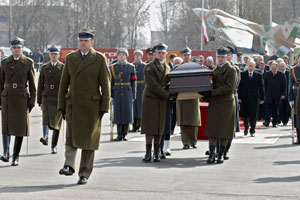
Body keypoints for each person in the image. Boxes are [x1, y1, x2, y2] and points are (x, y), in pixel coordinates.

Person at [58, 28, 111, 185]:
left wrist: (104, 107)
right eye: (81, 40)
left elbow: (105, 85)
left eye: (86, 41)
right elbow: (63, 83)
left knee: (89, 141)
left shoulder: (99, 59)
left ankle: (84, 173)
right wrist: (61, 104)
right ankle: (68, 165)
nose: (83, 43)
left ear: (92, 42)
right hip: (73, 104)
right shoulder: (71, 58)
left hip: (92, 106)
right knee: (71, 137)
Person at [0, 37, 36, 166]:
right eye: (14, 48)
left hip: (21, 97)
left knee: (20, 128)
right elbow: (0, 83)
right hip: (8, 96)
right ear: (10, 49)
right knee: (6, 126)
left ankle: (15, 156)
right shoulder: (5, 62)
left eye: (18, 48)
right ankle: (5, 152)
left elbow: (32, 84)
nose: (16, 50)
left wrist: (32, 101)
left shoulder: (28, 62)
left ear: (22, 49)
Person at [202, 47, 238, 164]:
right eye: (219, 57)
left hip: (226, 103)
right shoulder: (215, 70)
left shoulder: (231, 70)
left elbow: (229, 88)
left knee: (224, 130)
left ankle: (221, 154)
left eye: (223, 57)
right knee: (213, 129)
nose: (221, 59)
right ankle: (212, 154)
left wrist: (212, 92)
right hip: (215, 103)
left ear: (227, 57)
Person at [141, 43, 172, 163]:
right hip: (151, 98)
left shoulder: (167, 66)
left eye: (163, 53)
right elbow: (153, 85)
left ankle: (157, 151)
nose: (161, 55)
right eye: (159, 53)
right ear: (155, 54)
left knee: (160, 126)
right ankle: (148, 152)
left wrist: (172, 91)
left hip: (162, 99)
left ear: (166, 54)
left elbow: (168, 82)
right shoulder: (149, 67)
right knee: (150, 126)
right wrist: (167, 95)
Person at [37, 45, 64, 154]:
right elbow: (40, 85)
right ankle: (45, 136)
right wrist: (39, 99)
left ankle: (54, 145)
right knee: (45, 117)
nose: (54, 56)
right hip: (47, 95)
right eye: (52, 54)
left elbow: (66, 84)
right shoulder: (44, 68)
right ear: (49, 55)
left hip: (57, 96)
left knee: (57, 122)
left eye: (55, 54)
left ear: (59, 55)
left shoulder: (62, 68)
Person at [177, 47, 201, 149]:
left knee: (194, 121)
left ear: (191, 56)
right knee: (183, 122)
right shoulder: (177, 68)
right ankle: (185, 142)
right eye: (185, 55)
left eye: (188, 55)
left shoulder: (196, 67)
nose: (186, 57)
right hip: (182, 97)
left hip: (193, 96)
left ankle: (193, 141)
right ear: (182, 56)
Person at [110, 48, 136, 141]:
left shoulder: (131, 67)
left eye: (123, 54)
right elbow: (111, 82)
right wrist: (111, 95)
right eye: (120, 54)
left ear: (126, 56)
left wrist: (133, 95)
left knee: (126, 113)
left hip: (127, 92)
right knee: (118, 113)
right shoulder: (112, 67)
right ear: (117, 56)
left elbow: (133, 82)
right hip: (117, 92)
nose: (121, 56)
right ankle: (119, 134)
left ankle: (125, 134)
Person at [238, 60, 264, 137]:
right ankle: (246, 127)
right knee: (245, 115)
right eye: (249, 66)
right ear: (247, 66)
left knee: (253, 115)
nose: (250, 68)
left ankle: (252, 130)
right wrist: (239, 97)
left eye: (252, 66)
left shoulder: (258, 75)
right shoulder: (242, 74)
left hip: (254, 98)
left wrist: (262, 98)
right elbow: (239, 87)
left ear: (254, 67)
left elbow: (261, 88)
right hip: (244, 98)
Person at [263, 62, 286, 128]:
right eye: (272, 68)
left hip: (277, 95)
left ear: (277, 68)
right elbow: (264, 85)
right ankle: (267, 121)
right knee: (268, 109)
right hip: (269, 95)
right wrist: (264, 94)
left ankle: (275, 122)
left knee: (276, 110)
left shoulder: (281, 75)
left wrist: (283, 94)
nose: (273, 70)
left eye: (274, 68)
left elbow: (284, 85)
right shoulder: (267, 74)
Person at [131, 49, 145, 132]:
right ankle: (134, 125)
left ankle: (140, 125)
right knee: (133, 107)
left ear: (141, 56)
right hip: (133, 87)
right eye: (136, 55)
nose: (137, 56)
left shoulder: (144, 66)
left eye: (139, 55)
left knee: (140, 107)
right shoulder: (131, 65)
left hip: (141, 87)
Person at [289, 53, 300, 144]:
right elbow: (290, 86)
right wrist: (290, 99)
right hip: (296, 96)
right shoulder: (293, 70)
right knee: (297, 117)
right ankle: (299, 137)